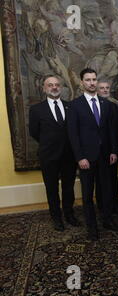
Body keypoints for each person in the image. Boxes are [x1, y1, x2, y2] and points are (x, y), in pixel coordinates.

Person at [67, 68, 118, 241]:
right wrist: (80, 157)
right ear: (82, 82)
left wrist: (113, 151)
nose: (92, 83)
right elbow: (73, 134)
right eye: (88, 80)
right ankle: (92, 227)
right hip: (86, 159)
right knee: (88, 195)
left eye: (94, 79)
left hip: (105, 156)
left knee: (105, 191)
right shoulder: (75, 105)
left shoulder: (107, 105)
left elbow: (111, 131)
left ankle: (107, 220)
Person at [29, 75, 80, 231]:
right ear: (44, 88)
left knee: (68, 187)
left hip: (68, 156)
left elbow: (74, 131)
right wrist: (50, 143)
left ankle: (69, 214)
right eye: (50, 85)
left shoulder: (70, 106)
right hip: (48, 155)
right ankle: (56, 217)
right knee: (51, 188)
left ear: (61, 87)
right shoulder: (36, 109)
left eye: (57, 84)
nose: (54, 87)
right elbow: (34, 132)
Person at [96, 80, 118, 217]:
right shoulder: (91, 106)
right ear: (97, 90)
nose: (105, 90)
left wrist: (117, 148)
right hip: (95, 151)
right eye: (102, 88)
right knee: (100, 181)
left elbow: (116, 129)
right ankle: (102, 206)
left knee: (113, 179)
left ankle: (115, 205)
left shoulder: (113, 106)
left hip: (111, 150)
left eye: (107, 87)